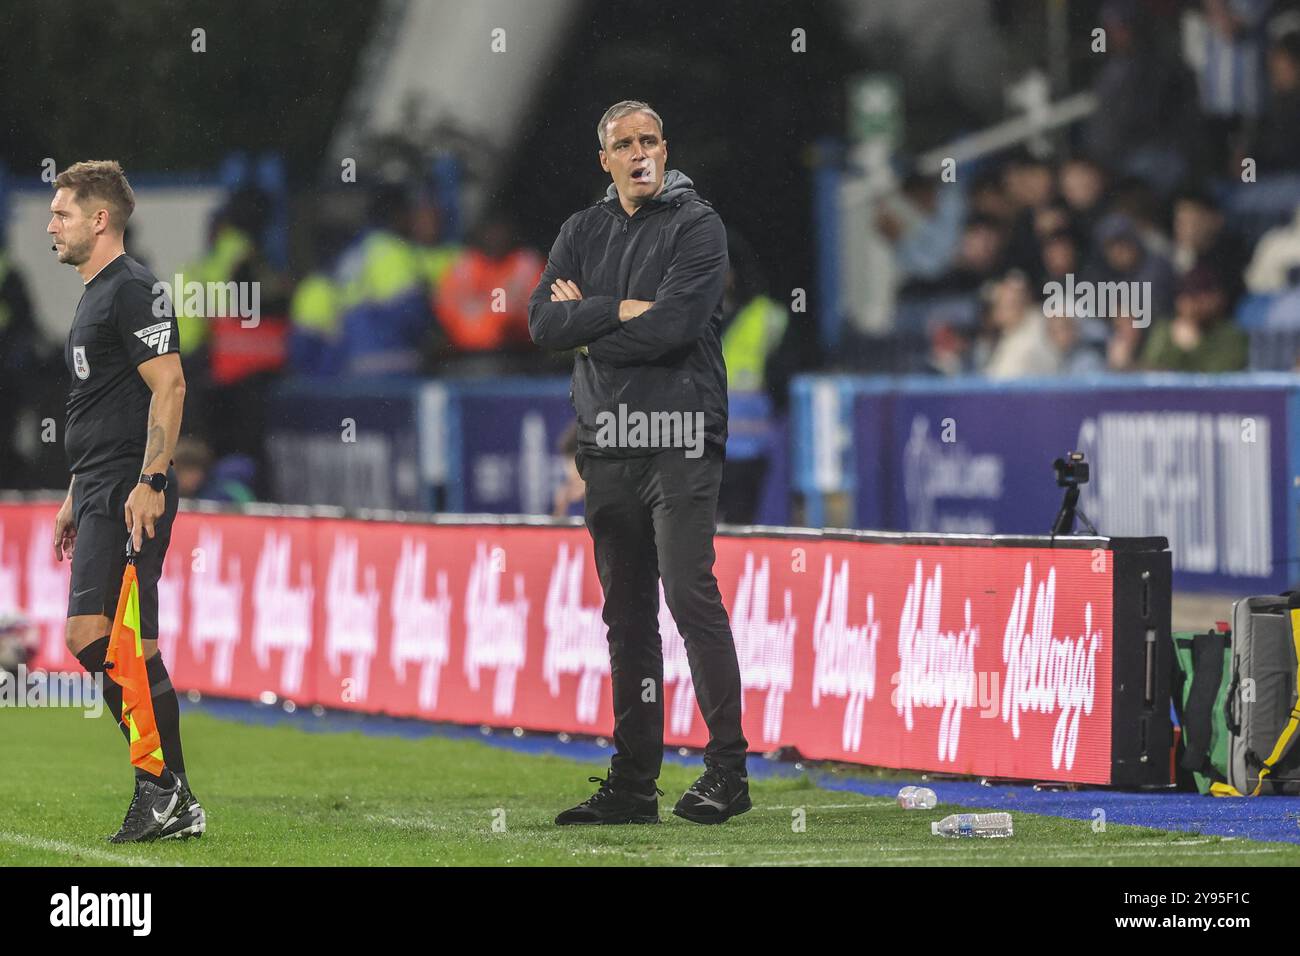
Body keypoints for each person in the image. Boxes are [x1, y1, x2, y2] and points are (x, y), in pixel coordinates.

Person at [528, 100, 750, 825]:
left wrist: (589, 324)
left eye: (650, 140)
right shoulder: (581, 229)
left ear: (665, 148)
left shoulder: (697, 224)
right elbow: (540, 323)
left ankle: (728, 771)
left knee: (689, 593)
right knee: (626, 618)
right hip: (609, 442)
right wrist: (623, 311)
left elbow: (680, 324)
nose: (639, 153)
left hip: (682, 434)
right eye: (624, 144)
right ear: (606, 160)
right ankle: (632, 786)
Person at [46, 161, 204, 843]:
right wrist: (74, 493)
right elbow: (106, 403)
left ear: (99, 218)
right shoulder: (96, 293)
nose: (52, 225)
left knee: (97, 638)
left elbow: (170, 386)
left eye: (63, 214)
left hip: (129, 488)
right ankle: (173, 795)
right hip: (102, 483)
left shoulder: (134, 289)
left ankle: (163, 788)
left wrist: (153, 480)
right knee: (127, 645)